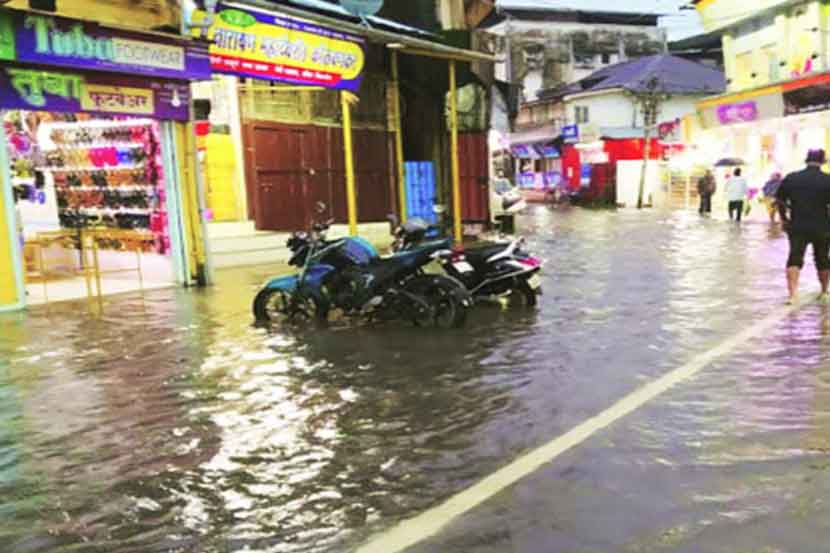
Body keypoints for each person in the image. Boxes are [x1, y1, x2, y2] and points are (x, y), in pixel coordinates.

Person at [776, 149, 830, 304]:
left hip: (798, 224)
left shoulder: (792, 178)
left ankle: (793, 295)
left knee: (794, 257)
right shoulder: (827, 180)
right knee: (822, 258)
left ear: (806, 160)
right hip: (822, 226)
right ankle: (824, 291)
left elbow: (780, 200)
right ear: (822, 161)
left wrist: (784, 218)